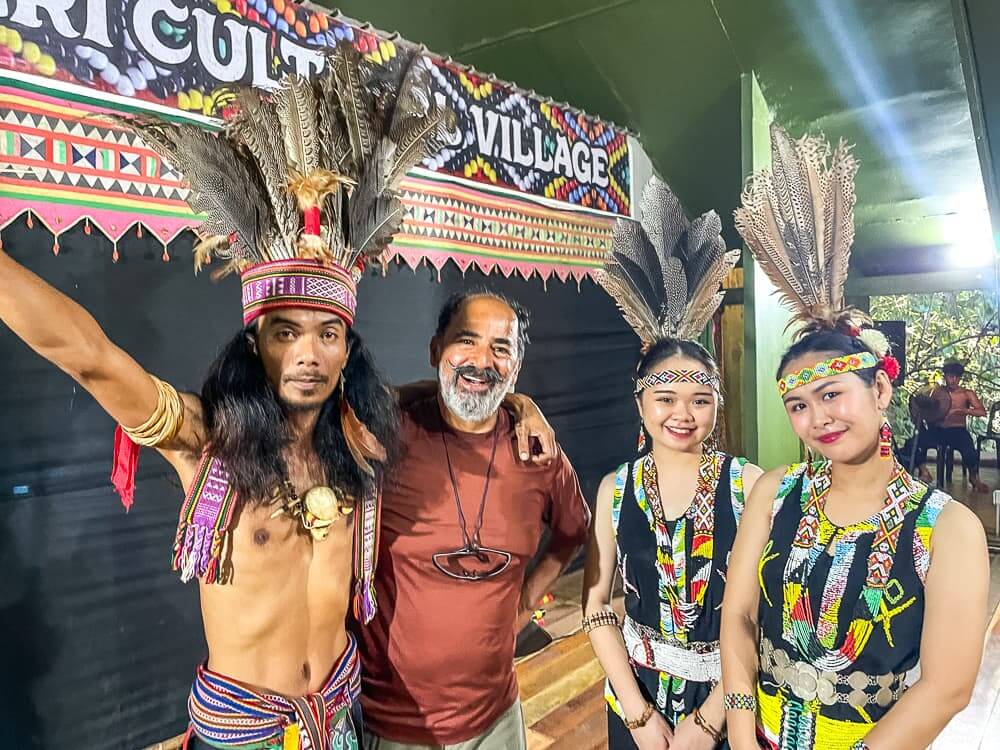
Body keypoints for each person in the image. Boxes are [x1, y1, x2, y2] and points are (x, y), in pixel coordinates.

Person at [0, 46, 550, 749]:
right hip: (244, 734)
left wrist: (516, 405)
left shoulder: (363, 433)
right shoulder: (204, 441)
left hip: (344, 721)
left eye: (328, 334)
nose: (306, 354)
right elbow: (88, 356)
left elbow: (448, 394)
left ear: (348, 350)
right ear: (255, 341)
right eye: (285, 332)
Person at [721, 124, 989, 750]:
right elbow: (736, 618)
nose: (818, 418)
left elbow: (948, 686)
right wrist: (737, 730)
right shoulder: (775, 493)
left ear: (882, 391)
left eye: (832, 394)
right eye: (797, 405)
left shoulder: (946, 528)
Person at [357, 289, 592, 750]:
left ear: (516, 368)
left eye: (500, 349)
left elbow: (574, 528)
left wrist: (525, 600)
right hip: (391, 724)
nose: (482, 360)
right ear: (434, 350)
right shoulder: (387, 437)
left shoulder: (537, 452)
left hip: (496, 718)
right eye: (466, 341)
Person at [582, 177, 762, 750]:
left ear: (718, 405)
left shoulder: (748, 486)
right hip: (635, 697)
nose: (682, 414)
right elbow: (595, 604)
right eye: (665, 399)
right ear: (640, 404)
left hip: (727, 702)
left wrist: (707, 724)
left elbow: (763, 614)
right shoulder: (616, 488)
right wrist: (637, 714)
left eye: (699, 400)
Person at [910, 359, 989, 492]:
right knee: (914, 442)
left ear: (959, 378)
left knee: (969, 448)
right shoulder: (937, 392)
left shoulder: (966, 393)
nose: (952, 380)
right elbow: (927, 409)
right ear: (945, 376)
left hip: (957, 430)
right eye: (949, 376)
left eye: (955, 377)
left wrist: (963, 411)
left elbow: (982, 412)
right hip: (937, 429)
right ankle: (924, 471)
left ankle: (974, 477)